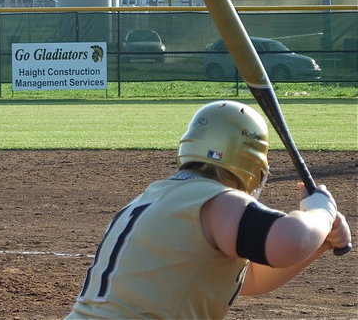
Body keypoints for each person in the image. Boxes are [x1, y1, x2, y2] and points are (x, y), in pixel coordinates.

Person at [66, 100, 351, 319]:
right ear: (254, 166)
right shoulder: (217, 201)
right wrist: (320, 210)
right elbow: (291, 240)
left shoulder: (157, 195)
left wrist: (321, 243)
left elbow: (248, 279)